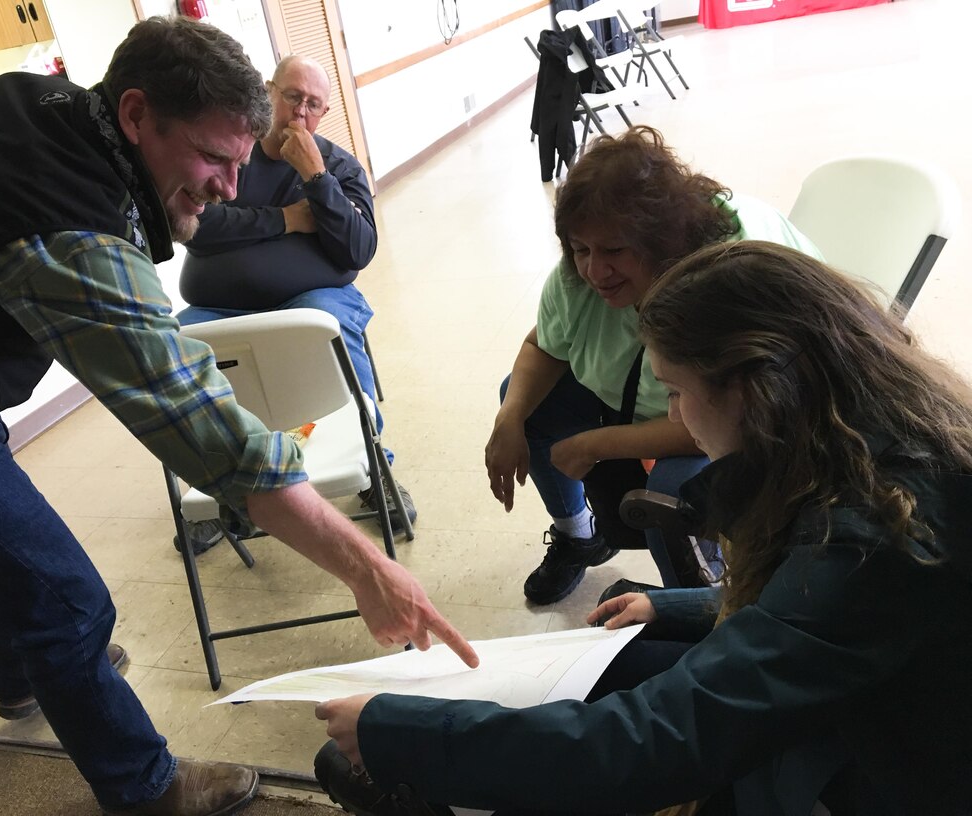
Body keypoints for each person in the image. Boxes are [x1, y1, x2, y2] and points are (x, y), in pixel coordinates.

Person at [0, 16, 476, 816]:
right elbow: (202, 425)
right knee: (67, 601)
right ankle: (144, 788)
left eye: (240, 161)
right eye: (212, 159)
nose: (230, 187)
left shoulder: (51, 105)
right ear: (135, 115)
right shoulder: (67, 226)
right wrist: (370, 569)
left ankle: (30, 671)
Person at [314, 240, 972, 815]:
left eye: (677, 391)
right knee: (620, 653)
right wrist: (677, 604)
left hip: (877, 777)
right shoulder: (884, 442)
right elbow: (821, 611)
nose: (678, 417)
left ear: (752, 388)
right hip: (875, 722)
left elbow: (659, 742)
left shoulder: (871, 535)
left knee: (584, 749)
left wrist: (399, 731)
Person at [485, 126, 820, 604]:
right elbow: (545, 345)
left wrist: (596, 444)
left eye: (615, 251)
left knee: (674, 490)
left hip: (762, 412)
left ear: (661, 240)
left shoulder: (723, 278)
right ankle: (580, 536)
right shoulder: (578, 274)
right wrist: (509, 417)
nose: (595, 271)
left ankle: (699, 603)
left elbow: (728, 418)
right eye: (581, 249)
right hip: (663, 395)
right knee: (525, 399)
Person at [174, 54, 415, 552]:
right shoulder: (230, 150)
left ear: (323, 114)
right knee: (176, 344)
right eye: (292, 97)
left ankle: (372, 469)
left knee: (325, 321)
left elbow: (357, 248)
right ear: (268, 93)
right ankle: (217, 482)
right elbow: (200, 227)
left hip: (312, 299)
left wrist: (316, 178)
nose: (301, 112)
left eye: (313, 105)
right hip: (219, 307)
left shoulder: (339, 166)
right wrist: (286, 220)